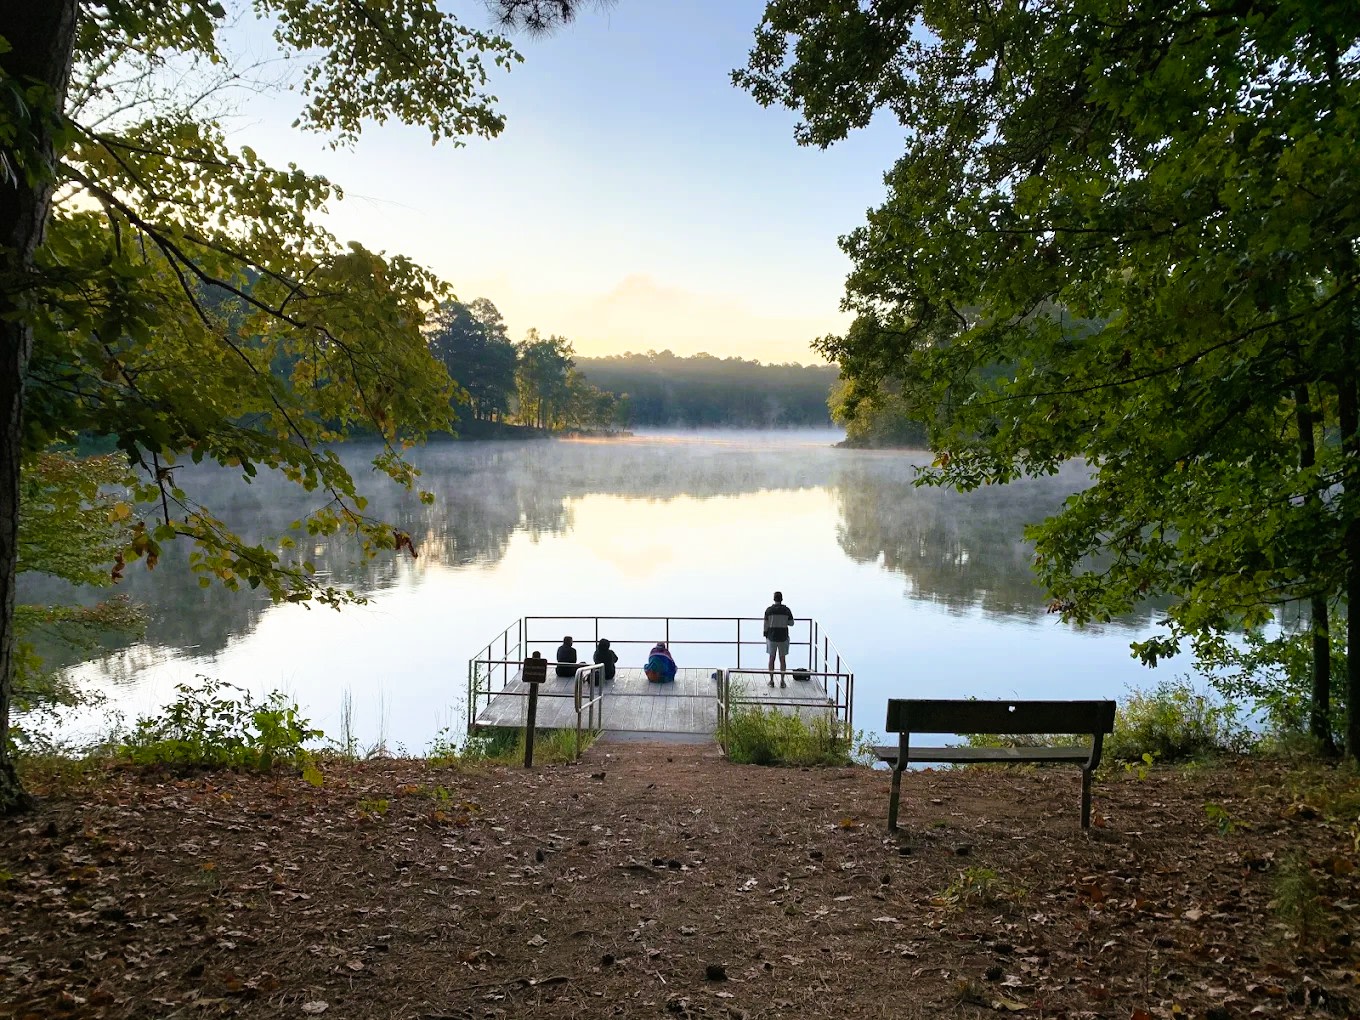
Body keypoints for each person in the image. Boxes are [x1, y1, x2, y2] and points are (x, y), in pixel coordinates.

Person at [763, 590, 795, 688]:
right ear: (781, 599)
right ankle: (782, 681)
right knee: (782, 659)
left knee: (771, 658)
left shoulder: (769, 610)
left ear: (774, 599)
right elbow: (791, 623)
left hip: (772, 637)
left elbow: (765, 624)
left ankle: (771, 680)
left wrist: (765, 634)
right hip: (783, 637)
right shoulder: (786, 610)